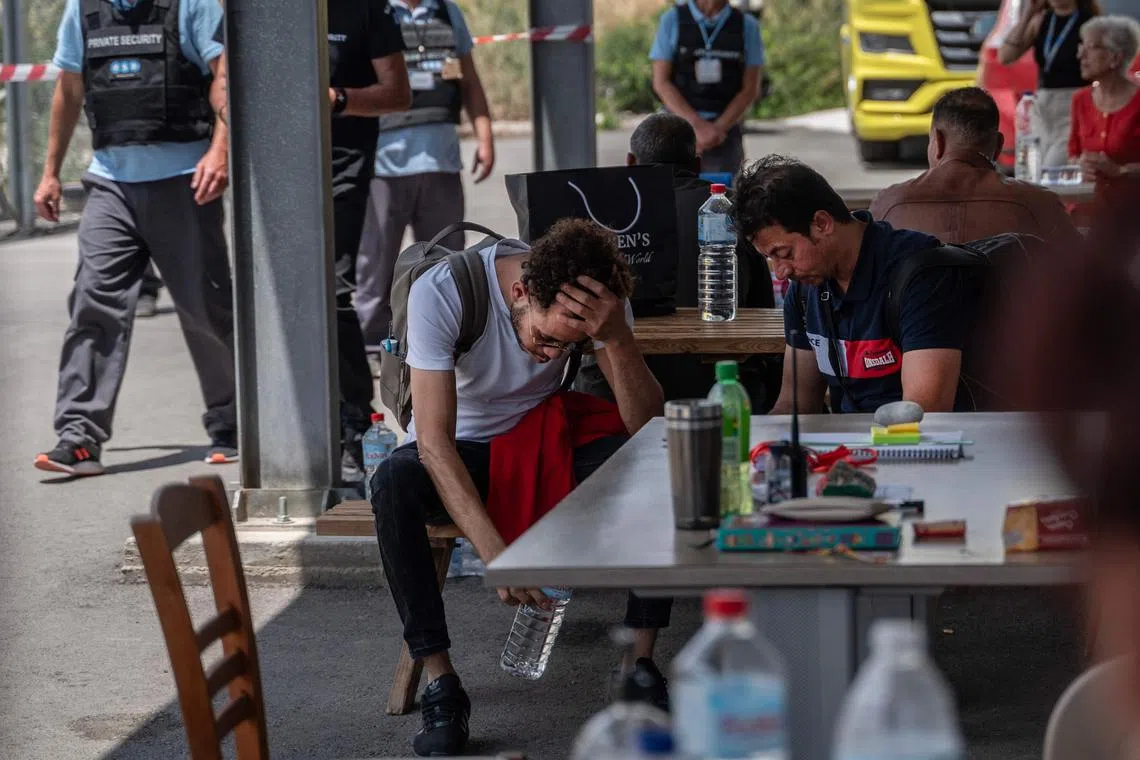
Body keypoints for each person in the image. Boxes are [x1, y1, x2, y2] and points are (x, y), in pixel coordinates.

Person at [370, 219, 669, 756]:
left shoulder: (588, 304)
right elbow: (434, 443)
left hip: (539, 436)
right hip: (458, 445)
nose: (555, 356)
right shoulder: (443, 291)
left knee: (658, 469)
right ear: (519, 292)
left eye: (570, 347)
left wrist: (616, 336)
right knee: (392, 482)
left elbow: (649, 426)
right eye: (547, 339)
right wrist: (497, 556)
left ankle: (639, 663)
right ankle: (440, 679)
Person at [32, 0, 235, 476]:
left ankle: (231, 422)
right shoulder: (83, 9)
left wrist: (219, 151)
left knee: (205, 307)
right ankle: (78, 436)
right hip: (110, 182)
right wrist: (51, 173)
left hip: (185, 178)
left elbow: (225, 77)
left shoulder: (192, 5)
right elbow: (70, 87)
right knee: (93, 303)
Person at [736, 155, 973, 416]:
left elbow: (924, 413)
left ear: (822, 223)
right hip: (846, 449)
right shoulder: (805, 291)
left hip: (911, 450)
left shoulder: (921, 275)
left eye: (785, 253)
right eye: (771, 259)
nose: (781, 273)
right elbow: (795, 405)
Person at [355, 0, 495, 355]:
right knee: (375, 269)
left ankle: (446, 345)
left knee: (446, 264)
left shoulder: (447, 13)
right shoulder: (374, 11)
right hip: (384, 165)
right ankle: (371, 352)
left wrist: (484, 135)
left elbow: (471, 81)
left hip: (442, 163)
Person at [324, 0, 412, 482]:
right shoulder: (265, 14)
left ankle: (354, 424)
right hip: (277, 175)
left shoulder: (365, 11)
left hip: (341, 169)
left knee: (333, 294)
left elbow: (398, 94)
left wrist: (337, 99)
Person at [871, 87, 1081, 246]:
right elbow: (1083, 278)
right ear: (998, 146)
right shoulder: (1040, 205)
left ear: (938, 141)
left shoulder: (889, 205)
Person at [649, 0, 766, 175]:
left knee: (725, 198)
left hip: (724, 134)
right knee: (671, 196)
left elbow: (750, 89)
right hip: (677, 131)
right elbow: (661, 82)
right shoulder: (672, 20)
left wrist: (716, 130)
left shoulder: (747, 26)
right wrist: (696, 127)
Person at [999, 0, 1101, 168]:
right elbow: (1005, 56)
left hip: (1072, 102)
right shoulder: (1041, 20)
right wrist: (1028, 15)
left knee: (1054, 165)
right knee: (1033, 167)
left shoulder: (1088, 22)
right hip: (1042, 104)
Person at [1068, 15, 1140, 210]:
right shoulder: (1080, 99)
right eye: (1081, 46)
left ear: (1115, 57)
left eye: (1090, 47)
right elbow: (1073, 154)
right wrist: (1080, 163)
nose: (1080, 55)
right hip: (1087, 208)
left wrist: (1121, 171)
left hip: (1131, 214)